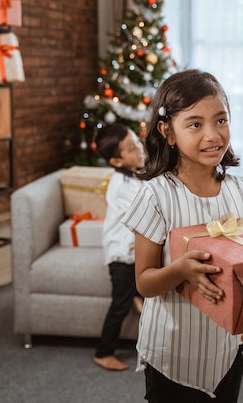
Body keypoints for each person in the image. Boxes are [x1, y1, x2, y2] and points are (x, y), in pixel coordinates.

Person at [122, 69, 243, 402]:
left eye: (221, 120)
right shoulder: (156, 196)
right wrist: (181, 271)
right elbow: (144, 282)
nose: (212, 134)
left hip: (227, 348)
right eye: (195, 124)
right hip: (172, 350)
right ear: (168, 132)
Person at [93, 123, 146, 371]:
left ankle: (140, 303)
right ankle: (104, 352)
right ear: (116, 161)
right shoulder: (121, 187)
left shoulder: (134, 173)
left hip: (136, 252)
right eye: (130, 149)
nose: (139, 149)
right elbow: (146, 213)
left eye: (137, 142)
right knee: (120, 305)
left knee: (144, 295)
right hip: (122, 255)